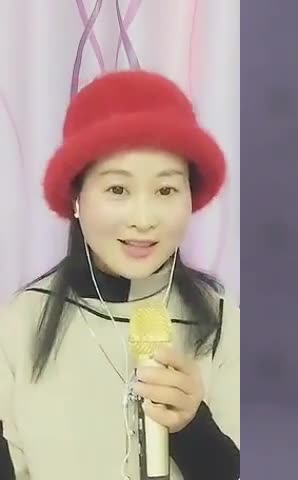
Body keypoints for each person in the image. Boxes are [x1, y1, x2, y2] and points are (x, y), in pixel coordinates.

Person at [0, 70, 240, 480]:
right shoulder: (22, 322)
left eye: (165, 190)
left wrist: (192, 428)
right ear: (76, 199)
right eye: (117, 190)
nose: (143, 220)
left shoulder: (222, 322)